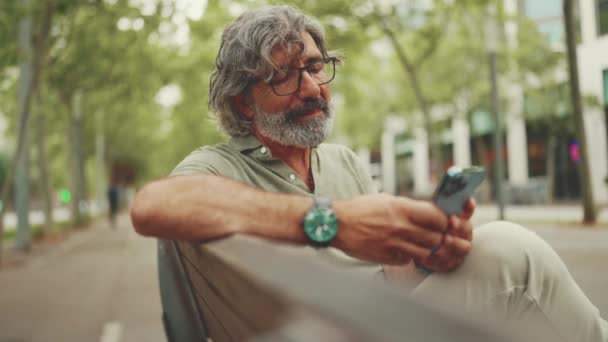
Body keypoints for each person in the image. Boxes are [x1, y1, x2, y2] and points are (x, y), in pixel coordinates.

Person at [130, 5, 607, 341]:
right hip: (324, 332)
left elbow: (397, 277)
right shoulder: (220, 166)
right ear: (243, 102)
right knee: (513, 250)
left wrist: (431, 253)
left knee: (499, 250)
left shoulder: (344, 162)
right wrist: (330, 222)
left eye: (316, 67)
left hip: (388, 322)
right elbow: (152, 206)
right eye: (284, 75)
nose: (312, 87)